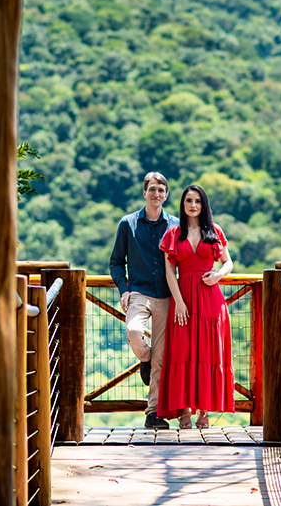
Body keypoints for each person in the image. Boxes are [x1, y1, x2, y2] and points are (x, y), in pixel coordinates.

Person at [157, 184, 235, 429]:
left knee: (207, 353)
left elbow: (228, 262)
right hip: (183, 300)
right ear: (183, 204)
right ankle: (183, 410)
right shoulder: (173, 233)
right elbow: (169, 271)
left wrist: (218, 276)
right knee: (182, 353)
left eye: (198, 201)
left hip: (211, 300)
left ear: (204, 205)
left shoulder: (214, 230)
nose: (193, 205)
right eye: (189, 200)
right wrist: (178, 301)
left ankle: (203, 410)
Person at [109, 171, 180, 429]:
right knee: (134, 330)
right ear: (144, 192)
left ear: (166, 195)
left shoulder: (175, 225)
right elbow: (116, 262)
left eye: (161, 190)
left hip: (167, 295)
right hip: (138, 292)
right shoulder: (127, 224)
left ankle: (153, 414)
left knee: (162, 357)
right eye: (152, 189)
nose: (156, 194)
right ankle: (145, 359)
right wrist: (124, 290)